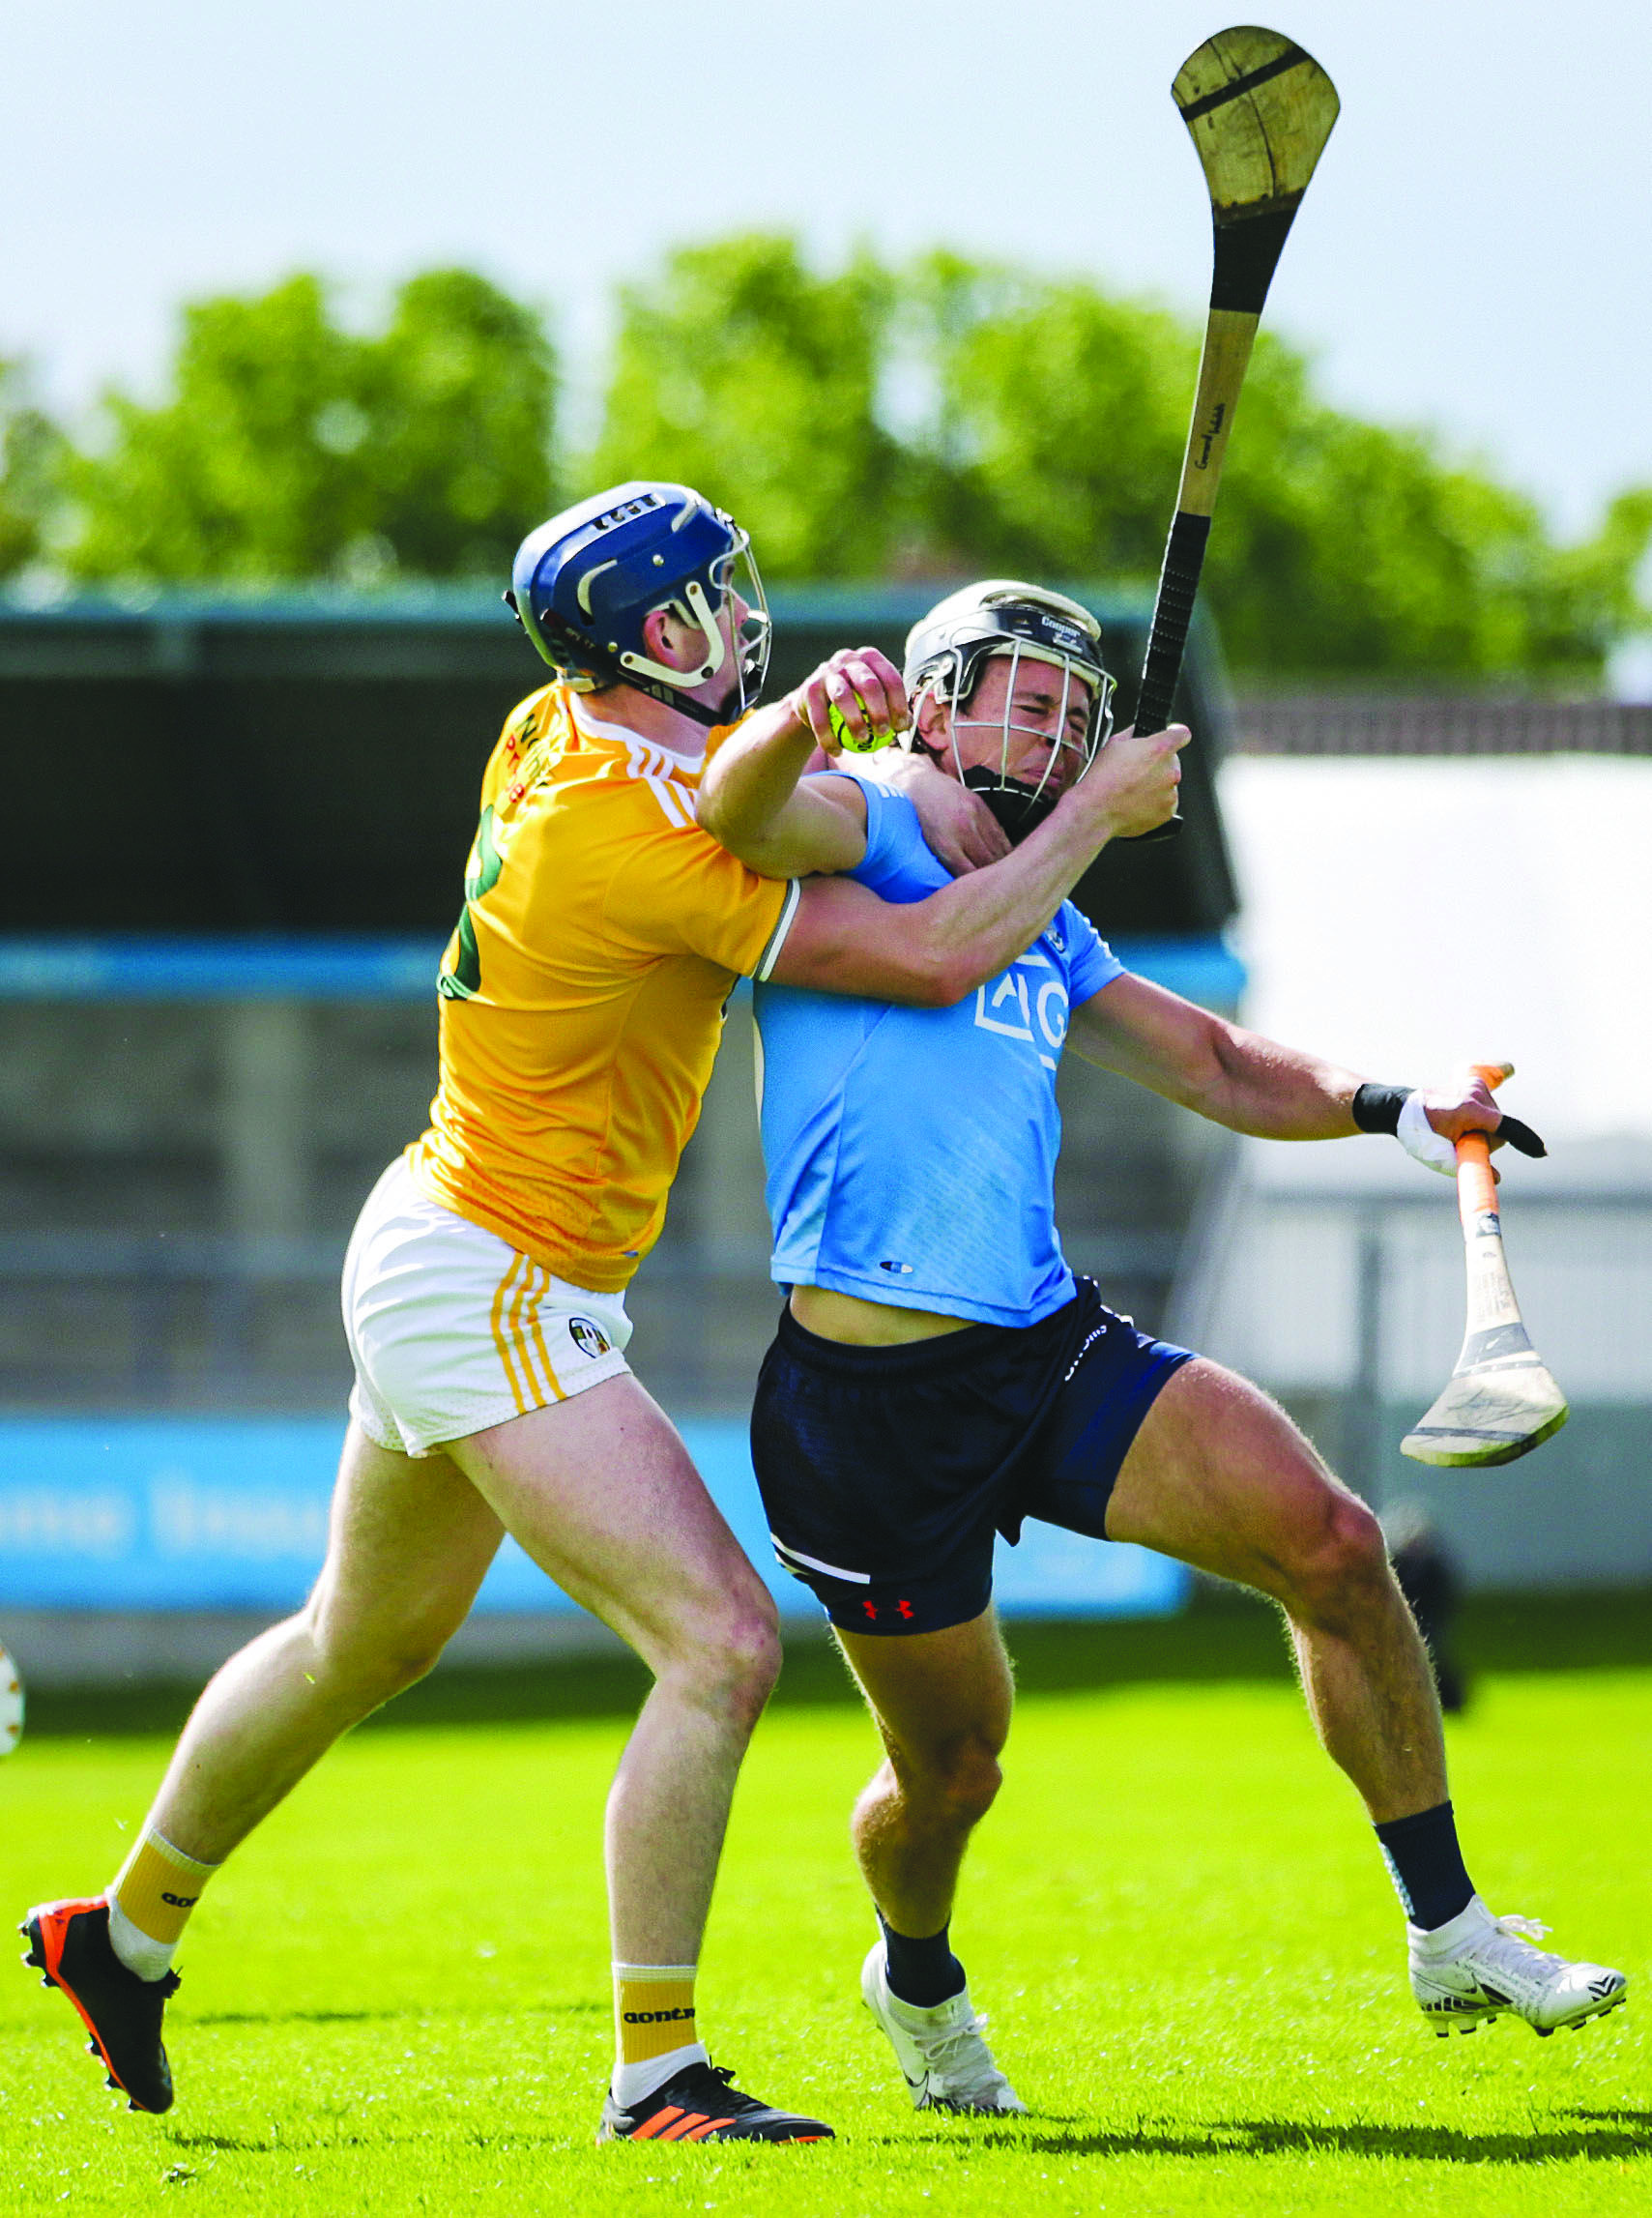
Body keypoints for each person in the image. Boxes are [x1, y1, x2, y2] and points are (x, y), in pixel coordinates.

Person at [20, 490, 1174, 2147]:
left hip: (445, 1238)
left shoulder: (550, 722)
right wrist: (1092, 819)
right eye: (707, 598)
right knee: (718, 1635)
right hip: (491, 1268)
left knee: (364, 1636)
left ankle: (116, 1937)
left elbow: (724, 776)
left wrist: (787, 726)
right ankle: (657, 2072)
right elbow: (926, 961)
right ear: (645, 639)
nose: (740, 610)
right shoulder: (636, 837)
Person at [696, 577, 1628, 2116]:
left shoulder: (1049, 913)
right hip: (861, 1406)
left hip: (1046, 1349)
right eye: (1026, 697)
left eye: (1080, 715)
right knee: (953, 1773)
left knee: (1332, 1544)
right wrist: (803, 708)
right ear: (934, 702)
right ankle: (914, 1975)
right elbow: (735, 813)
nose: (1059, 733)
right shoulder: (864, 814)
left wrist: (1395, 1104)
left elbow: (1205, 1053)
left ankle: (1450, 1925)